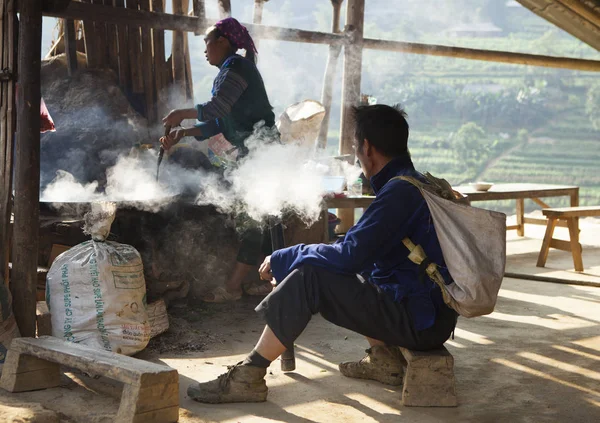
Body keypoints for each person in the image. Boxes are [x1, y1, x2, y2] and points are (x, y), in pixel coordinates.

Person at [186, 104, 459, 403]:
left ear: (367, 147)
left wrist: (287, 256)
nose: (356, 155)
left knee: (310, 277)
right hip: (428, 315)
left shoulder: (399, 194)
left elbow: (348, 256)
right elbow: (358, 251)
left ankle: (249, 374)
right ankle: (384, 359)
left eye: (356, 146)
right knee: (347, 265)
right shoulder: (412, 182)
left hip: (421, 323)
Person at [161, 17, 277, 302]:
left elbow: (217, 107)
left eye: (207, 43)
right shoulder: (228, 72)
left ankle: (233, 287)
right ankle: (265, 279)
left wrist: (181, 114)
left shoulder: (236, 67)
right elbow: (220, 123)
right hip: (250, 154)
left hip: (261, 155)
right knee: (253, 215)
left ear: (223, 41)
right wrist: (184, 132)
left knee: (253, 217)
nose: (204, 50)